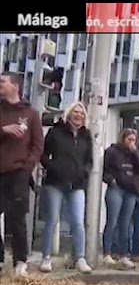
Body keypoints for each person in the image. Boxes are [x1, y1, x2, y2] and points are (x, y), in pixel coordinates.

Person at [39, 102, 92, 274]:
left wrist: (84, 172)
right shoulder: (56, 132)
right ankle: (46, 257)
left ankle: (81, 258)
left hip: (76, 184)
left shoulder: (86, 135)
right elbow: (43, 154)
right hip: (55, 182)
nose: (78, 115)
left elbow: (89, 160)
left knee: (77, 221)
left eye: (81, 113)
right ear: (68, 114)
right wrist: (53, 167)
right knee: (52, 220)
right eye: (75, 112)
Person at [0, 71, 44, 277]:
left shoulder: (31, 114)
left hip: (19, 172)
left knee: (17, 218)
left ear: (15, 86)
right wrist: (4, 130)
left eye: (3, 81)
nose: (0, 84)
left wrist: (27, 167)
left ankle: (20, 261)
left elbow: (37, 145)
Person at [102, 128, 139, 269]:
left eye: (134, 140)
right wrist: (111, 181)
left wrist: (135, 153)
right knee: (112, 221)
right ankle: (107, 252)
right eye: (129, 139)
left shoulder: (134, 154)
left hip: (130, 190)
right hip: (117, 188)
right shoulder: (113, 152)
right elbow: (104, 170)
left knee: (125, 224)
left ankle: (124, 254)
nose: (131, 143)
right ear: (123, 139)